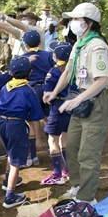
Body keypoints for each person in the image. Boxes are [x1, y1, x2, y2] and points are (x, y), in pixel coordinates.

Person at [44, 2, 108, 205]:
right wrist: (54, 92)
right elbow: (68, 71)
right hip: (79, 101)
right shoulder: (79, 43)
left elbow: (102, 81)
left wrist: (76, 100)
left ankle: (86, 199)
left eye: (76, 19)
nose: (72, 23)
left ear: (89, 23)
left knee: (88, 154)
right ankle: (77, 186)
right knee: (72, 147)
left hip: (96, 103)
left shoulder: (97, 46)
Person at [0, 57, 44, 208]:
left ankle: (6, 180)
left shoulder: (6, 86)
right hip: (15, 125)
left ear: (10, 72)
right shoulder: (28, 91)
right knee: (16, 162)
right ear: (30, 72)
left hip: (1, 122)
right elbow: (35, 117)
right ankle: (10, 196)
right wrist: (38, 139)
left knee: (10, 152)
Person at [19, 30, 55, 167]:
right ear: (40, 42)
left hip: (32, 91)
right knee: (48, 119)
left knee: (31, 122)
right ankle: (52, 149)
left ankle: (33, 156)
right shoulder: (48, 55)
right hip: (48, 90)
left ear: (25, 44)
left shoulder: (23, 58)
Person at [41, 42, 73, 185]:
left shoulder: (54, 71)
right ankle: (67, 170)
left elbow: (47, 92)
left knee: (52, 140)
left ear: (55, 55)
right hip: (71, 106)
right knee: (64, 139)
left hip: (58, 106)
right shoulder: (74, 70)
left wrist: (47, 96)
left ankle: (57, 174)